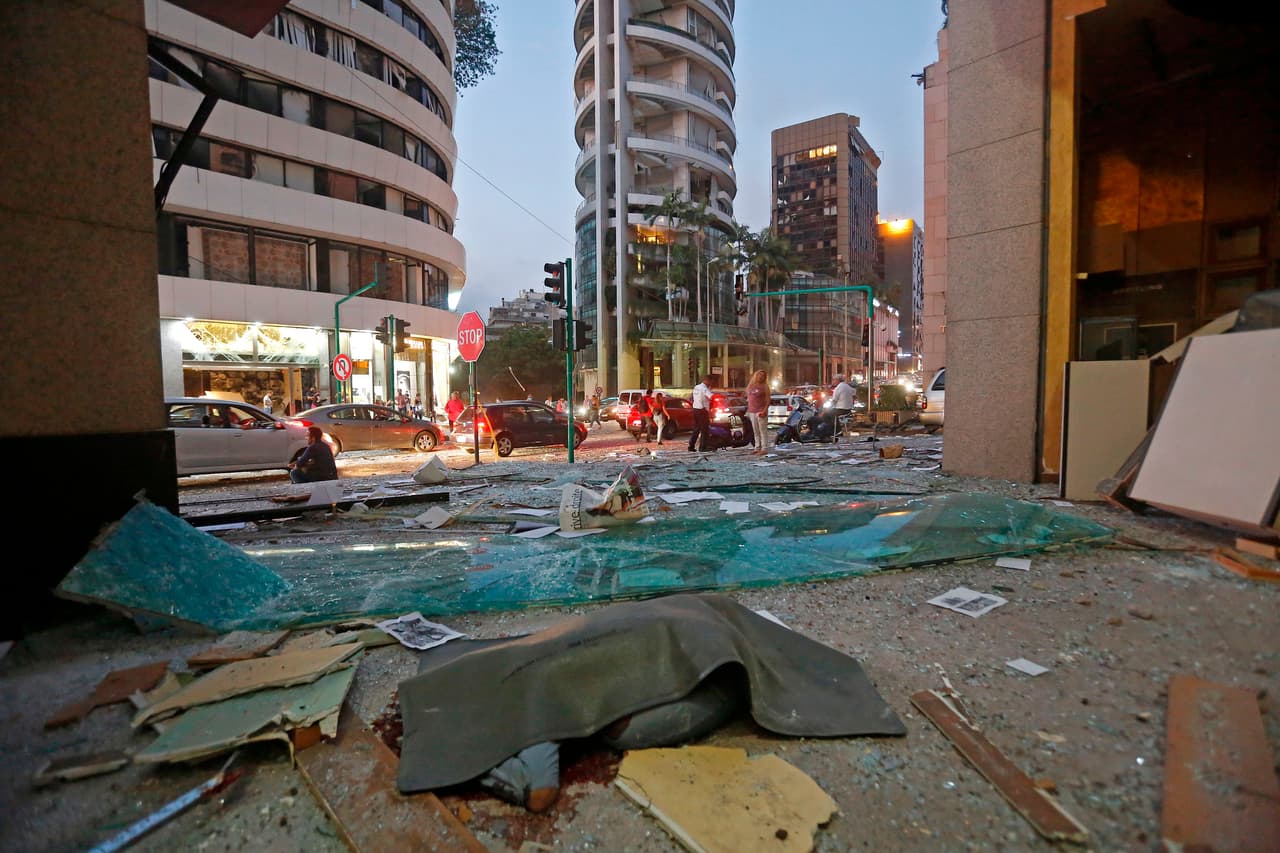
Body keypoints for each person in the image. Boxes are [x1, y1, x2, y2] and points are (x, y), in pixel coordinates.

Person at [745, 369, 769, 455]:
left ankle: (764, 448)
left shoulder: (765, 387)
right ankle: (757, 447)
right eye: (760, 375)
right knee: (755, 431)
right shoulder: (751, 386)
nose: (761, 377)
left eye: (763, 376)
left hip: (761, 411)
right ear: (756, 376)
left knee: (762, 431)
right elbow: (749, 399)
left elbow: (768, 400)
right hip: (752, 411)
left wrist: (765, 410)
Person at [688, 374, 713, 452]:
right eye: (711, 382)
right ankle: (703, 447)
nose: (711, 383)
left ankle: (691, 446)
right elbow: (711, 396)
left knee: (696, 429)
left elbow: (691, 397)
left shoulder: (696, 387)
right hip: (702, 410)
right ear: (708, 380)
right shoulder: (704, 388)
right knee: (705, 430)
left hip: (695, 409)